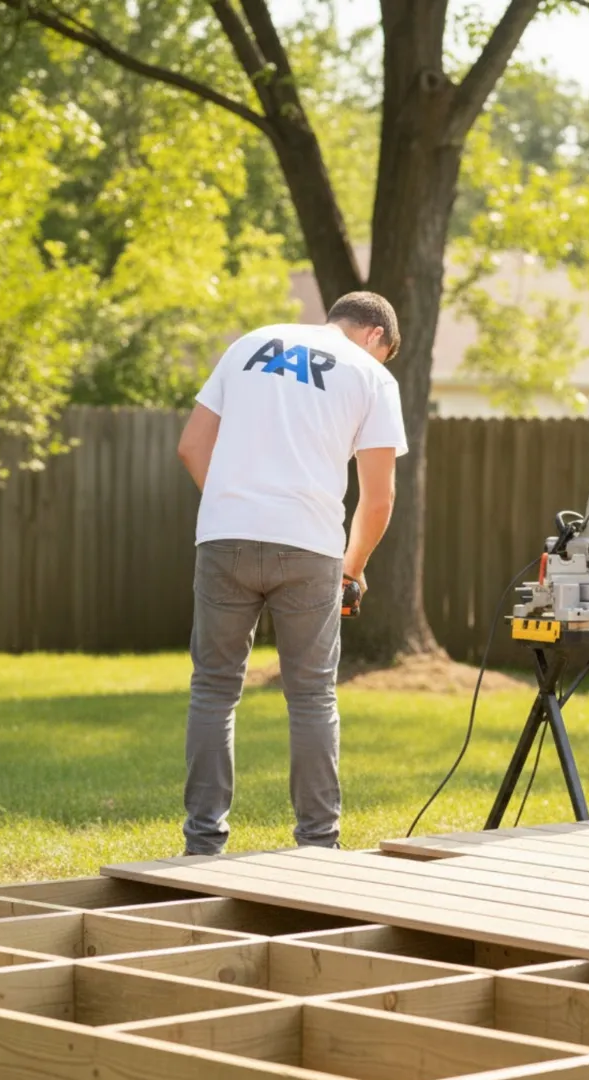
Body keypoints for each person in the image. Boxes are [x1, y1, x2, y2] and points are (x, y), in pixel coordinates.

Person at [175, 291, 408, 855]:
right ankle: (317, 844)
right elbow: (378, 499)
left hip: (224, 536)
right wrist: (352, 568)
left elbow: (190, 447)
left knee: (212, 689)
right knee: (311, 698)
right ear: (376, 335)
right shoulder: (371, 377)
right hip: (309, 546)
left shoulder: (249, 343)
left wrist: (235, 506)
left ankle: (203, 843)